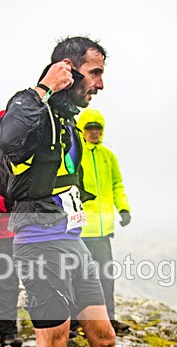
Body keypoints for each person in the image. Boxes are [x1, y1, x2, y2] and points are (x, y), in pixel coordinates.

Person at [0, 37, 174, 347]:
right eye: (94, 73)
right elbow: (7, 137)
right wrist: (41, 88)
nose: (100, 84)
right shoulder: (29, 106)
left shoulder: (70, 123)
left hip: (73, 243)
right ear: (68, 70)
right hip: (39, 245)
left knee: (103, 336)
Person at [77, 108, 132, 335]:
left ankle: (108, 319)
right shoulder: (75, 154)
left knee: (105, 277)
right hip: (79, 230)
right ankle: (75, 322)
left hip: (103, 230)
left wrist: (124, 208)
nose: (94, 132)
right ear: (82, 130)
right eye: (90, 128)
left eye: (98, 128)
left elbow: (117, 184)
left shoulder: (108, 156)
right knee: (78, 277)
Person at [0, 110, 24, 347]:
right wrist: (13, 201)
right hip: (4, 233)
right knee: (7, 283)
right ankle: (7, 332)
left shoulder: (32, 156)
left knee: (37, 282)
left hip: (29, 232)